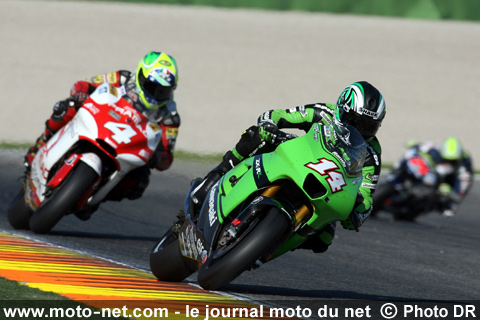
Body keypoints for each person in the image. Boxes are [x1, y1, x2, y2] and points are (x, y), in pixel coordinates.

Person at [190, 81, 386, 253]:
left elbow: (367, 196)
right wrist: (270, 126)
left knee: (324, 238)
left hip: (326, 188)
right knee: (256, 135)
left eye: (370, 126)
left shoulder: (372, 153)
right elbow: (277, 115)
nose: (360, 130)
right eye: (356, 122)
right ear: (342, 110)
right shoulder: (323, 113)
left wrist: (358, 209)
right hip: (296, 160)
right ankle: (213, 178)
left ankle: (270, 244)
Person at [24, 51, 181, 218]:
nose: (156, 94)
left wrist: (157, 156)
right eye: (152, 87)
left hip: (128, 146)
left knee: (139, 181)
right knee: (66, 107)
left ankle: (96, 199)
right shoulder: (122, 78)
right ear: (140, 76)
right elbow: (84, 84)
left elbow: (166, 158)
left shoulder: (170, 116)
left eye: (163, 91)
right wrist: (81, 94)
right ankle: (40, 145)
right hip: (101, 122)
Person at [399, 138, 474, 216]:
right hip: (431, 172)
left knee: (452, 194)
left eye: (452, 161)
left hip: (448, 179)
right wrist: (413, 146)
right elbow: (419, 148)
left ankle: (437, 204)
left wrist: (454, 200)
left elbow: (466, 179)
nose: (448, 162)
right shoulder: (433, 149)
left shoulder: (465, 159)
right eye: (446, 159)